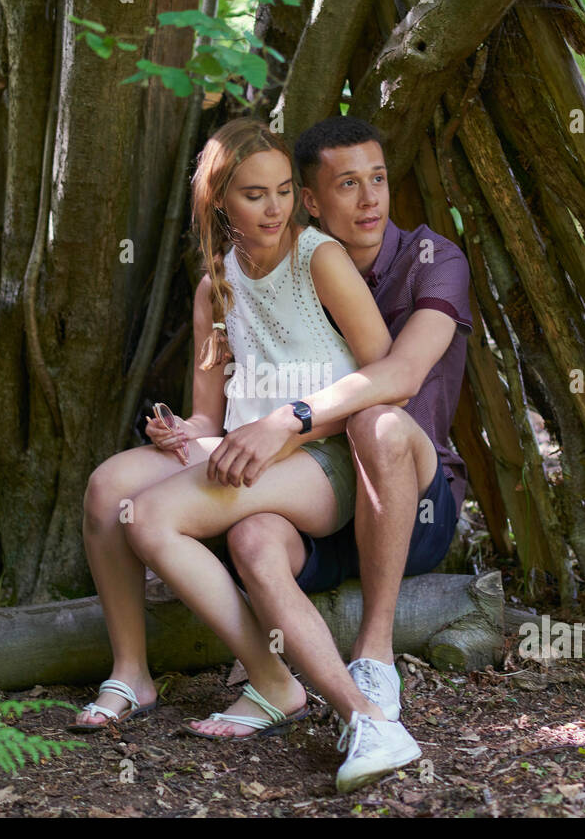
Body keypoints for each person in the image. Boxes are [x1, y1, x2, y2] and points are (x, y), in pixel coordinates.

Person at [72, 118, 422, 790]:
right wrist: (181, 430)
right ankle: (132, 671)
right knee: (107, 489)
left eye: (286, 191)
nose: (275, 208)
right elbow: (212, 414)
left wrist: (288, 427)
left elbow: (380, 378)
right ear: (219, 200)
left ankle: (278, 683)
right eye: (256, 194)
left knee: (149, 518)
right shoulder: (217, 286)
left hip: (326, 462)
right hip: (248, 456)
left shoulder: (319, 259)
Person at [205, 116, 473, 791]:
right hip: (323, 506)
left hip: (412, 505)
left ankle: (375, 652)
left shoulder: (433, 260)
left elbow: (401, 374)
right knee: (253, 534)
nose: (371, 200)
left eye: (378, 179)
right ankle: (341, 710)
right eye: (347, 185)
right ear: (312, 201)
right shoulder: (284, 265)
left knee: (376, 424)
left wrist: (287, 420)